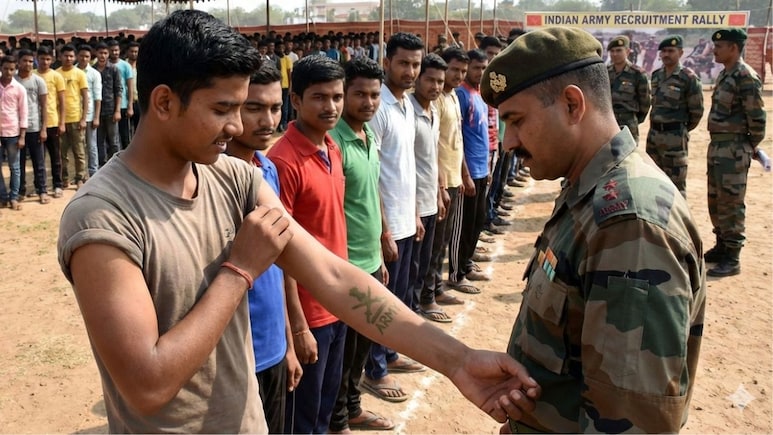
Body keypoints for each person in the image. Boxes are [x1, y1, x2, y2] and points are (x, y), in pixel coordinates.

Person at [58, 10, 541, 433]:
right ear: (164, 102)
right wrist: (240, 272)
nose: (236, 127)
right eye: (222, 109)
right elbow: (148, 385)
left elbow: (331, 275)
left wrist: (457, 361)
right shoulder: (103, 218)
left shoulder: (232, 179)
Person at [480, 26, 706, 433]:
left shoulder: (629, 225)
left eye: (517, 120)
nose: (509, 141)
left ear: (571, 104)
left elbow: (628, 422)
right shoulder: (588, 188)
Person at [267, 55, 350, 434]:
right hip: (309, 312)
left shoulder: (332, 146)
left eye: (337, 96)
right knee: (302, 416)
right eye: (319, 97)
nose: (330, 106)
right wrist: (297, 328)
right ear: (296, 100)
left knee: (324, 407)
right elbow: (280, 252)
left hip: (337, 302)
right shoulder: (283, 161)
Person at [224, 62, 302, 434]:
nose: (268, 119)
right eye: (253, 108)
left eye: (275, 107)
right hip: (235, 355)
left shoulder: (267, 170)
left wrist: (288, 342)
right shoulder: (211, 179)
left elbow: (281, 262)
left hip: (272, 346)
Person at [328, 57, 394, 433]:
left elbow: (371, 193)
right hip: (346, 265)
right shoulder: (335, 141)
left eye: (374, 95)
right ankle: (339, 419)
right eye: (359, 94)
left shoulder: (368, 135)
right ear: (344, 94)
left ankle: (352, 406)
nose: (368, 102)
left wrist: (382, 240)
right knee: (343, 352)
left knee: (362, 345)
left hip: (370, 260)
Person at [363, 31, 426, 404]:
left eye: (415, 64)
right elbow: (373, 175)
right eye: (403, 62)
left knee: (398, 297)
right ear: (387, 62)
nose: (410, 70)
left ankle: (387, 353)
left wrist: (414, 212)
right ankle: (375, 370)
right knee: (381, 303)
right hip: (386, 223)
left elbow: (405, 167)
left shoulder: (406, 105)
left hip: (406, 217)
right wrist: (383, 229)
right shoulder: (379, 109)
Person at [704, 28, 766, 277]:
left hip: (734, 148)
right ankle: (721, 246)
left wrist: (747, 146)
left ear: (733, 48)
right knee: (715, 200)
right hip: (717, 146)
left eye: (719, 46)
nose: (715, 50)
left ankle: (733, 256)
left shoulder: (745, 76)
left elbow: (758, 120)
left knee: (731, 202)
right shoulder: (725, 75)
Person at [419, 47, 470, 314]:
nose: (458, 76)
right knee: (433, 244)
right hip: (436, 184)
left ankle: (436, 289)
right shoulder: (434, 102)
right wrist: (440, 186)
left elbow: (454, 140)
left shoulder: (449, 99)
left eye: (463, 71)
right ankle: (427, 297)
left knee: (442, 241)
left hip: (449, 179)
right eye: (455, 70)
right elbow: (433, 148)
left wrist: (460, 174)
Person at [447, 49, 491, 294]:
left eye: (483, 68)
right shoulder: (461, 95)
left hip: (482, 167)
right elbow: (459, 138)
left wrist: (486, 168)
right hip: (469, 169)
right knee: (462, 226)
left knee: (477, 221)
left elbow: (482, 134)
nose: (479, 73)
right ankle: (456, 272)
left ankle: (467, 262)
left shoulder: (479, 94)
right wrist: (465, 173)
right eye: (476, 68)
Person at [410, 53, 449, 323]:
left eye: (439, 81)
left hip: (430, 200)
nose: (435, 86)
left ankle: (419, 309)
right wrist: (413, 208)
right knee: (410, 270)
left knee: (424, 264)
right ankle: (410, 318)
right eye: (430, 80)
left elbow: (432, 155)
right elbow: (406, 163)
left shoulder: (433, 111)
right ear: (418, 79)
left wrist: (439, 191)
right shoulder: (408, 112)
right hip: (412, 205)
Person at [646, 35, 704, 197]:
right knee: (653, 180)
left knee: (675, 186)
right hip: (654, 136)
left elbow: (696, 111)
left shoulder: (688, 78)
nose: (666, 54)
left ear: (681, 53)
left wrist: (679, 129)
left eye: (671, 51)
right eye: (663, 51)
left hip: (675, 139)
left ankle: (677, 220)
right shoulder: (657, 75)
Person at [15, 48, 50, 204]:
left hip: (35, 126)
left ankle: (42, 190)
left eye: (31, 61)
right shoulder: (13, 80)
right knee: (19, 162)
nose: (28, 64)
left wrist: (44, 128)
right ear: (18, 62)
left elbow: (44, 106)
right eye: (25, 61)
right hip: (16, 129)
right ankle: (21, 191)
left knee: (39, 161)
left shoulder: (38, 81)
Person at [56, 44, 89, 189]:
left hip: (76, 118)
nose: (68, 58)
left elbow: (85, 97)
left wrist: (83, 118)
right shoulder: (56, 74)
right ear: (60, 57)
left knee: (79, 151)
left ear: (74, 57)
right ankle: (64, 178)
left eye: (71, 56)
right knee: (62, 153)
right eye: (65, 56)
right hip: (59, 120)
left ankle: (80, 177)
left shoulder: (79, 73)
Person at [34, 45, 66, 199]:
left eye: (48, 59)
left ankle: (57, 185)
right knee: (39, 158)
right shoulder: (32, 75)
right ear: (37, 58)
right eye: (42, 59)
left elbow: (62, 101)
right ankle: (40, 187)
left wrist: (62, 122)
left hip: (53, 121)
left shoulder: (56, 76)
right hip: (35, 123)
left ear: (52, 60)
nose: (45, 62)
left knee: (55, 156)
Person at [607, 35, 651, 143]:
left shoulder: (638, 74)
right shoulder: (605, 72)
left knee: (628, 156)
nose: (615, 54)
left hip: (628, 125)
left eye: (618, 50)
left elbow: (645, 102)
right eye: (612, 51)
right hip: (608, 124)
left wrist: (634, 120)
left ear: (627, 52)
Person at [0, 55, 29, 210]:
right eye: (6, 69)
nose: (9, 72)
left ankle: (13, 197)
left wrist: (22, 135)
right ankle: (3, 196)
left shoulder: (19, 89)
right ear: (1, 68)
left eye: (12, 69)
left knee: (15, 167)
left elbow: (23, 113)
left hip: (13, 133)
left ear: (15, 69)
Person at [93, 42, 122, 167]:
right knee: (99, 140)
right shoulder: (92, 70)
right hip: (96, 112)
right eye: (100, 53)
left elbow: (118, 90)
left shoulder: (114, 69)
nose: (103, 56)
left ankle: (117, 165)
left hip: (111, 110)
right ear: (96, 53)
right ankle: (102, 165)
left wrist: (117, 110)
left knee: (114, 140)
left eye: (105, 53)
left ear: (108, 54)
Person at [76, 44, 102, 178]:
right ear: (77, 56)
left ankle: (93, 172)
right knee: (78, 148)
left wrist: (96, 117)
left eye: (87, 56)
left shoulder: (94, 74)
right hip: (75, 114)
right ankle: (79, 174)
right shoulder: (72, 71)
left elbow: (98, 97)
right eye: (81, 56)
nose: (84, 59)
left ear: (90, 58)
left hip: (90, 114)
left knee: (91, 146)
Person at [107, 39, 134, 150]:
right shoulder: (104, 65)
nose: (114, 52)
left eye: (116, 50)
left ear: (120, 51)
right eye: (112, 50)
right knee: (111, 137)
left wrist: (130, 105)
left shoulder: (125, 66)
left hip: (123, 105)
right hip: (108, 106)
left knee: (125, 135)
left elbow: (130, 86)